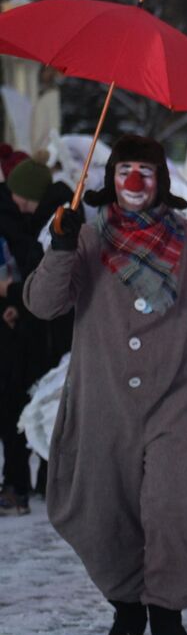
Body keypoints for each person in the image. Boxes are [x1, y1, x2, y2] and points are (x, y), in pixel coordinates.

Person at [24, 134, 187, 635]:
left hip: (175, 397)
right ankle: (126, 604)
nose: (135, 182)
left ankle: (166, 609)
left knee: (171, 503)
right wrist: (61, 248)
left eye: (145, 171)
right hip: (104, 401)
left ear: (161, 180)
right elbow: (42, 305)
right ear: (110, 180)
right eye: (124, 172)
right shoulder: (88, 237)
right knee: (105, 508)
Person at [1, 157, 70, 515]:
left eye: (18, 196)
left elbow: (42, 278)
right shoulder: (46, 216)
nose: (14, 203)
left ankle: (28, 484)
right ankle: (42, 481)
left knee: (34, 404)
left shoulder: (56, 221)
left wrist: (12, 294)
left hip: (47, 333)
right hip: (43, 329)